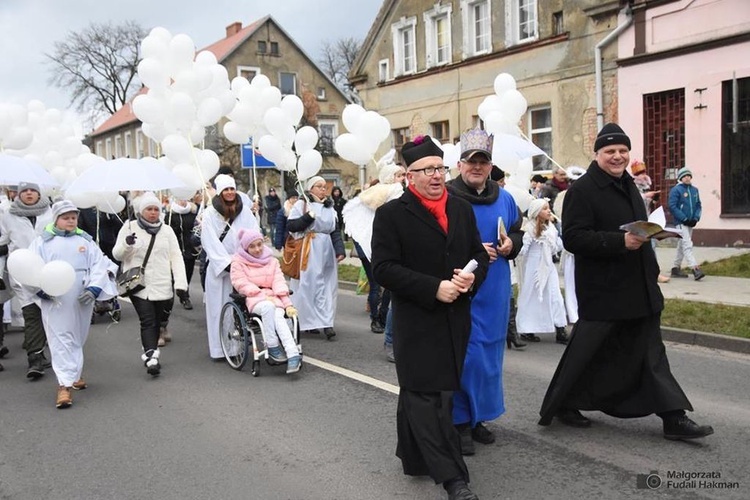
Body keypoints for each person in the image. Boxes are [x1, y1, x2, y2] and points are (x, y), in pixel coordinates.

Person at [538, 123, 714, 442]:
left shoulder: (629, 185)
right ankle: (563, 403)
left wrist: (653, 236)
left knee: (651, 354)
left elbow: (637, 230)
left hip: (640, 288)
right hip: (604, 290)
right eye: (610, 151)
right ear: (598, 154)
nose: (617, 156)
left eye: (622, 151)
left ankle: (674, 417)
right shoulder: (582, 190)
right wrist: (620, 242)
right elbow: (574, 238)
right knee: (588, 351)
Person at [372, 135, 488, 500]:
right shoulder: (392, 214)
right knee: (427, 396)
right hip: (417, 321)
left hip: (455, 320)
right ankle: (453, 478)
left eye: (440, 168)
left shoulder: (461, 208)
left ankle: (414, 455)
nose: (436, 176)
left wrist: (471, 278)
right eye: (427, 170)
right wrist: (432, 287)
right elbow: (384, 269)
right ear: (409, 176)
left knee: (430, 391)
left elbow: (479, 256)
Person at [446, 128, 523, 456]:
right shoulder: (447, 198)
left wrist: (510, 245)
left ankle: (478, 418)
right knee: (466, 354)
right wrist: (475, 253)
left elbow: (517, 231)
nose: (477, 167)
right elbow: (438, 243)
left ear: (491, 166)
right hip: (463, 286)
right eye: (471, 161)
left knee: (490, 354)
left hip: (496, 287)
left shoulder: (503, 197)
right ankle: (459, 420)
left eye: (483, 161)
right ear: (460, 165)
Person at [28, 200, 117, 408]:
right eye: (65, 217)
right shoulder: (42, 241)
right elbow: (30, 267)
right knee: (60, 337)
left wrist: (94, 287)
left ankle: (74, 374)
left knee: (78, 334)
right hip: (55, 295)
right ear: (56, 219)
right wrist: (40, 289)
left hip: (80, 294)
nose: (70, 221)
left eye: (73, 217)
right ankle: (64, 385)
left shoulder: (85, 240)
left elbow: (98, 263)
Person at [113, 192, 188, 376]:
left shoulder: (167, 231)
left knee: (157, 321)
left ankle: (151, 351)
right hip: (139, 285)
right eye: (149, 209)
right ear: (141, 210)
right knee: (147, 320)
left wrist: (180, 283)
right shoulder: (129, 227)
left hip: (162, 283)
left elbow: (176, 257)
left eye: (156, 209)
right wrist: (126, 244)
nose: (153, 213)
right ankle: (151, 356)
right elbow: (117, 254)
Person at [343, 156, 405, 335]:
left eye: (403, 174)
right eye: (399, 175)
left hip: (375, 245)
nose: (403, 178)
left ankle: (381, 318)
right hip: (373, 246)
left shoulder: (375, 192)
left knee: (382, 284)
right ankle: (378, 319)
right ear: (391, 178)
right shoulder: (394, 191)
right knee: (379, 284)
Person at [201, 174, 260, 359]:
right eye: (225, 190)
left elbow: (253, 234)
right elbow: (209, 241)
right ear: (219, 192)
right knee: (218, 307)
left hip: (242, 265)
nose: (229, 192)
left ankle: (236, 346)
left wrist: (249, 256)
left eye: (232, 189)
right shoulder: (210, 213)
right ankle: (219, 349)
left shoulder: (245, 212)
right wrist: (227, 264)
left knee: (240, 307)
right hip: (221, 269)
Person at [0, 181, 53, 379]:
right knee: (31, 314)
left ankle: (46, 352)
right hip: (22, 272)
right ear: (18, 195)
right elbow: (4, 240)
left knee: (48, 315)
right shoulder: (9, 215)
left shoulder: (50, 212)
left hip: (49, 272)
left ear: (39, 194)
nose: (29, 194)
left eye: (33, 191)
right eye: (25, 191)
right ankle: (35, 359)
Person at [230, 228, 301, 374]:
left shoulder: (272, 261)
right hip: (254, 298)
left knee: (278, 316)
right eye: (252, 246)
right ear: (245, 247)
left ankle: (293, 354)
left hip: (274, 299)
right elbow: (240, 283)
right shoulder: (238, 262)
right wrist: (262, 295)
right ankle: (273, 346)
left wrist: (287, 303)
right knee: (268, 307)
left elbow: (279, 282)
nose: (257, 249)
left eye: (259, 244)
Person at [287, 176, 345, 340]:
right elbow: (291, 226)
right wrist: (308, 217)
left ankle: (327, 322)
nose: (322, 189)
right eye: (318, 186)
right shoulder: (301, 205)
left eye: (324, 186)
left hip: (326, 250)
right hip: (309, 248)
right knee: (310, 285)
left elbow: (334, 231)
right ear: (310, 188)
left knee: (328, 286)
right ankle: (308, 322)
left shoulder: (329, 207)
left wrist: (339, 249)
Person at [515, 198, 569, 344]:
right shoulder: (530, 229)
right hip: (533, 267)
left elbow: (556, 247)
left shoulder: (551, 227)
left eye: (548, 208)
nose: (549, 211)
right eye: (545, 208)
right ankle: (527, 328)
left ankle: (560, 328)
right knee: (531, 296)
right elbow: (522, 250)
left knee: (555, 296)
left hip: (548, 266)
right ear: (537, 212)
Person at [629, 161, 670, 284]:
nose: (642, 175)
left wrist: (653, 199)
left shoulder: (646, 186)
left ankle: (654, 272)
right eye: (639, 173)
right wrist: (646, 196)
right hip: (637, 222)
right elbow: (634, 199)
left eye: (644, 172)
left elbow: (646, 204)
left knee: (651, 247)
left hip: (648, 220)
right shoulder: (632, 186)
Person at [668, 167, 704, 281]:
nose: (687, 178)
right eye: (684, 176)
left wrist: (696, 218)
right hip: (681, 222)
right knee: (687, 244)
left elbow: (698, 205)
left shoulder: (695, 190)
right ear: (680, 178)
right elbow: (672, 206)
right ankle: (695, 268)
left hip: (691, 222)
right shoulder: (676, 190)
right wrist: (683, 218)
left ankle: (675, 268)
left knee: (681, 245)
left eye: (689, 175)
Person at [167, 193, 200, 310]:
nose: (183, 201)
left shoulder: (192, 214)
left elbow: (196, 228)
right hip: (175, 250)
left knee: (187, 273)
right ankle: (181, 296)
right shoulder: (170, 215)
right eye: (181, 199)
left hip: (189, 249)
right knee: (172, 274)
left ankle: (183, 293)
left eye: (185, 199)